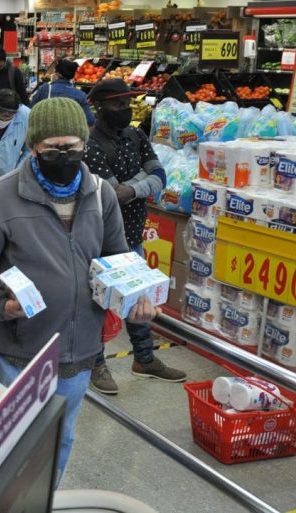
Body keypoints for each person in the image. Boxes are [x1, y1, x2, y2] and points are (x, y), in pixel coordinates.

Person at [0, 97, 158, 485]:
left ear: (84, 143)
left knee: (59, 442)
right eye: (52, 148)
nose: (64, 155)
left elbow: (117, 260)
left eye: (72, 146)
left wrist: (136, 299)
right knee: (6, 447)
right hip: (18, 353)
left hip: (78, 354)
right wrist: (0, 302)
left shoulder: (101, 195)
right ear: (33, 147)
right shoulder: (1, 196)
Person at [84, 79, 185, 394]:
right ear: (99, 107)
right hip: (99, 239)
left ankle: (144, 359)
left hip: (133, 235)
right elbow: (111, 194)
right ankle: (95, 363)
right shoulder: (89, 145)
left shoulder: (136, 134)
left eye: (128, 104)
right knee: (96, 304)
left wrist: (134, 187)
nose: (125, 110)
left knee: (139, 300)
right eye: (118, 104)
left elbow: (160, 176)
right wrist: (141, 183)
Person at [30, 59, 95, 126]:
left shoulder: (45, 88)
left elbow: (31, 109)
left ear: (57, 73)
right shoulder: (80, 95)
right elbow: (90, 120)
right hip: (70, 133)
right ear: (73, 76)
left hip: (47, 132)